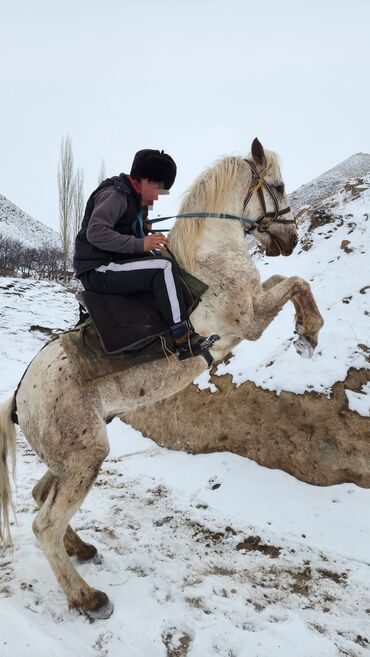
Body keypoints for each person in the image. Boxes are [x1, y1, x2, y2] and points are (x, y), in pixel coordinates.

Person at [73, 148, 211, 359]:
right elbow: (96, 233)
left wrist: (142, 229)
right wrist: (142, 244)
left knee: (161, 261)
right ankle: (184, 339)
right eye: (158, 188)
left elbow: (124, 227)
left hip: (113, 262)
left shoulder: (136, 200)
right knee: (164, 267)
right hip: (98, 268)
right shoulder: (116, 195)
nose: (158, 195)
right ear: (144, 180)